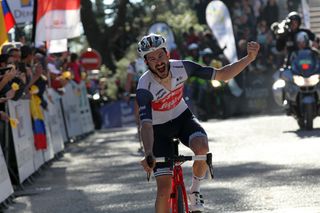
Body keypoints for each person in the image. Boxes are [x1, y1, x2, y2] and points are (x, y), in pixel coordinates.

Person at [137, 33, 260, 212]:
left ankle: (195, 191)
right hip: (158, 130)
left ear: (168, 54)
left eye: (160, 55)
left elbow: (223, 74)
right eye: (152, 58)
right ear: (147, 63)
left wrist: (249, 58)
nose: (158, 61)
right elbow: (146, 124)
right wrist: (148, 152)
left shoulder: (183, 67)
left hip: (182, 118)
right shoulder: (144, 86)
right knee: (164, 189)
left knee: (202, 148)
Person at [124, 57, 147, 151]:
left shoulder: (132, 64)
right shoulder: (150, 60)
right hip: (151, 91)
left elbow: (129, 81)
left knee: (138, 119)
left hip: (138, 92)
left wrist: (126, 94)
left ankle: (142, 145)